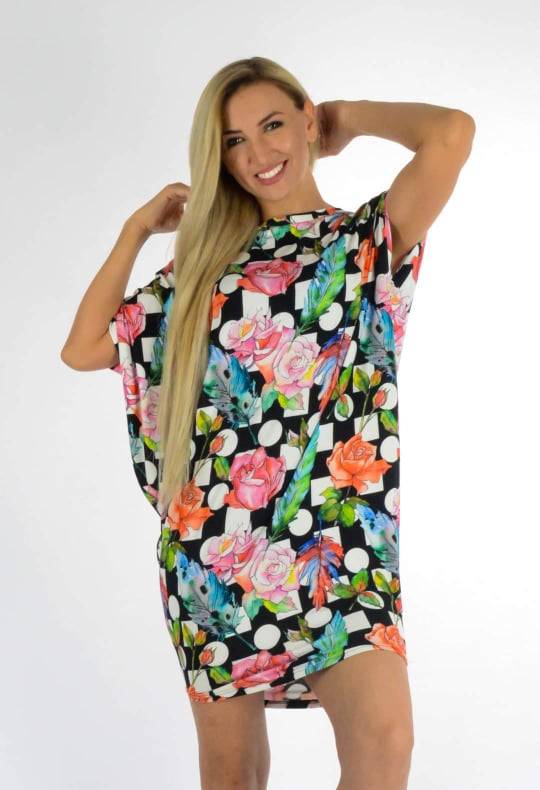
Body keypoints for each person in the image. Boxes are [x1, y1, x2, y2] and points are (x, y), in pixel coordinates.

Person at [61, 56, 475, 790]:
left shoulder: (364, 244)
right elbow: (84, 346)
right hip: (215, 559)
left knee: (385, 742)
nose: (258, 152)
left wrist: (346, 118)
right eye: (233, 141)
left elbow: (451, 133)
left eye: (274, 124)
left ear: (307, 120)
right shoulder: (202, 275)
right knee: (235, 776)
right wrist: (136, 229)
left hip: (340, 550)